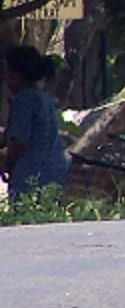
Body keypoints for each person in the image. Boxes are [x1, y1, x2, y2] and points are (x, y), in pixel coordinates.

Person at [2, 46, 69, 204]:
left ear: (15, 76)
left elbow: (19, 142)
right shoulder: (43, 98)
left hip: (31, 174)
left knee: (25, 220)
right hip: (54, 171)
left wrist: (7, 164)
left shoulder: (24, 101)